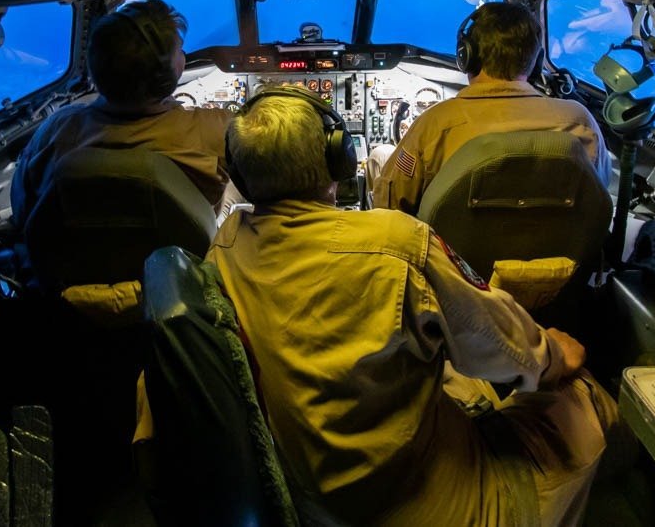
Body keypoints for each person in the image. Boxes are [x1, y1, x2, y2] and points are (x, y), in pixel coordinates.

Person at [210, 88, 617, 526]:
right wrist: (554, 354)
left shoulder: (226, 245)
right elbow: (514, 352)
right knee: (583, 390)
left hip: (311, 499)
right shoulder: (398, 244)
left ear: (241, 173)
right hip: (427, 505)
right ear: (340, 160)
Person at [371, 1, 610, 215]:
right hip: (560, 260)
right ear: (536, 62)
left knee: (380, 155)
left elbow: (391, 205)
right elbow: (599, 193)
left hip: (452, 263)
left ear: (466, 57)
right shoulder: (579, 121)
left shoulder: (437, 123)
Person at [10, 0, 232, 228]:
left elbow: (23, 212)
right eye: (179, 49)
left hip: (72, 260)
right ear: (168, 74)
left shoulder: (57, 130)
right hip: (180, 259)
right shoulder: (213, 131)